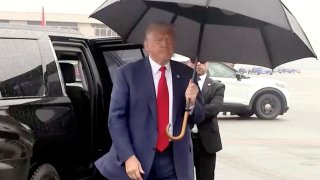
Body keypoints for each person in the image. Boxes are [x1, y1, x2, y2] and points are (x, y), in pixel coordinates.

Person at [94, 22, 205, 180]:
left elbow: (199, 117)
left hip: (175, 160)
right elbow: (116, 119)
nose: (165, 43)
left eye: (169, 39)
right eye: (159, 39)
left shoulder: (187, 74)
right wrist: (128, 157)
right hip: (138, 159)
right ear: (147, 45)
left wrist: (192, 103)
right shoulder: (127, 74)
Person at [187, 59, 225, 180]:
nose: (198, 64)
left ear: (207, 64)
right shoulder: (182, 84)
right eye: (194, 61)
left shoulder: (217, 86)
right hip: (186, 141)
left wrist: (191, 108)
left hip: (207, 144)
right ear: (189, 63)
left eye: (202, 61)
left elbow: (214, 109)